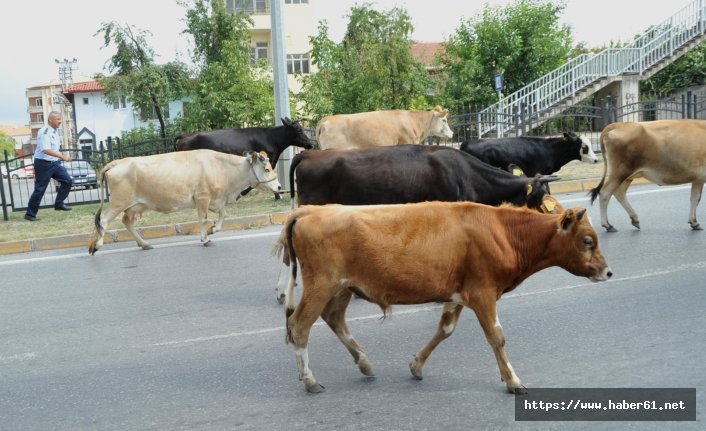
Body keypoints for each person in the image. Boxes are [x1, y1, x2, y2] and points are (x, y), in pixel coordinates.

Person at [24, 111, 73, 221]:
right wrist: (62, 156)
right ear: (50, 120)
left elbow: (54, 148)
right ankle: (30, 214)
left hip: (54, 163)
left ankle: (59, 203)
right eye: (57, 119)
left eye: (60, 119)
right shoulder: (44, 132)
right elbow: (45, 150)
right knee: (40, 189)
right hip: (43, 164)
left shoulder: (55, 131)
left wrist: (60, 157)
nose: (60, 121)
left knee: (68, 181)